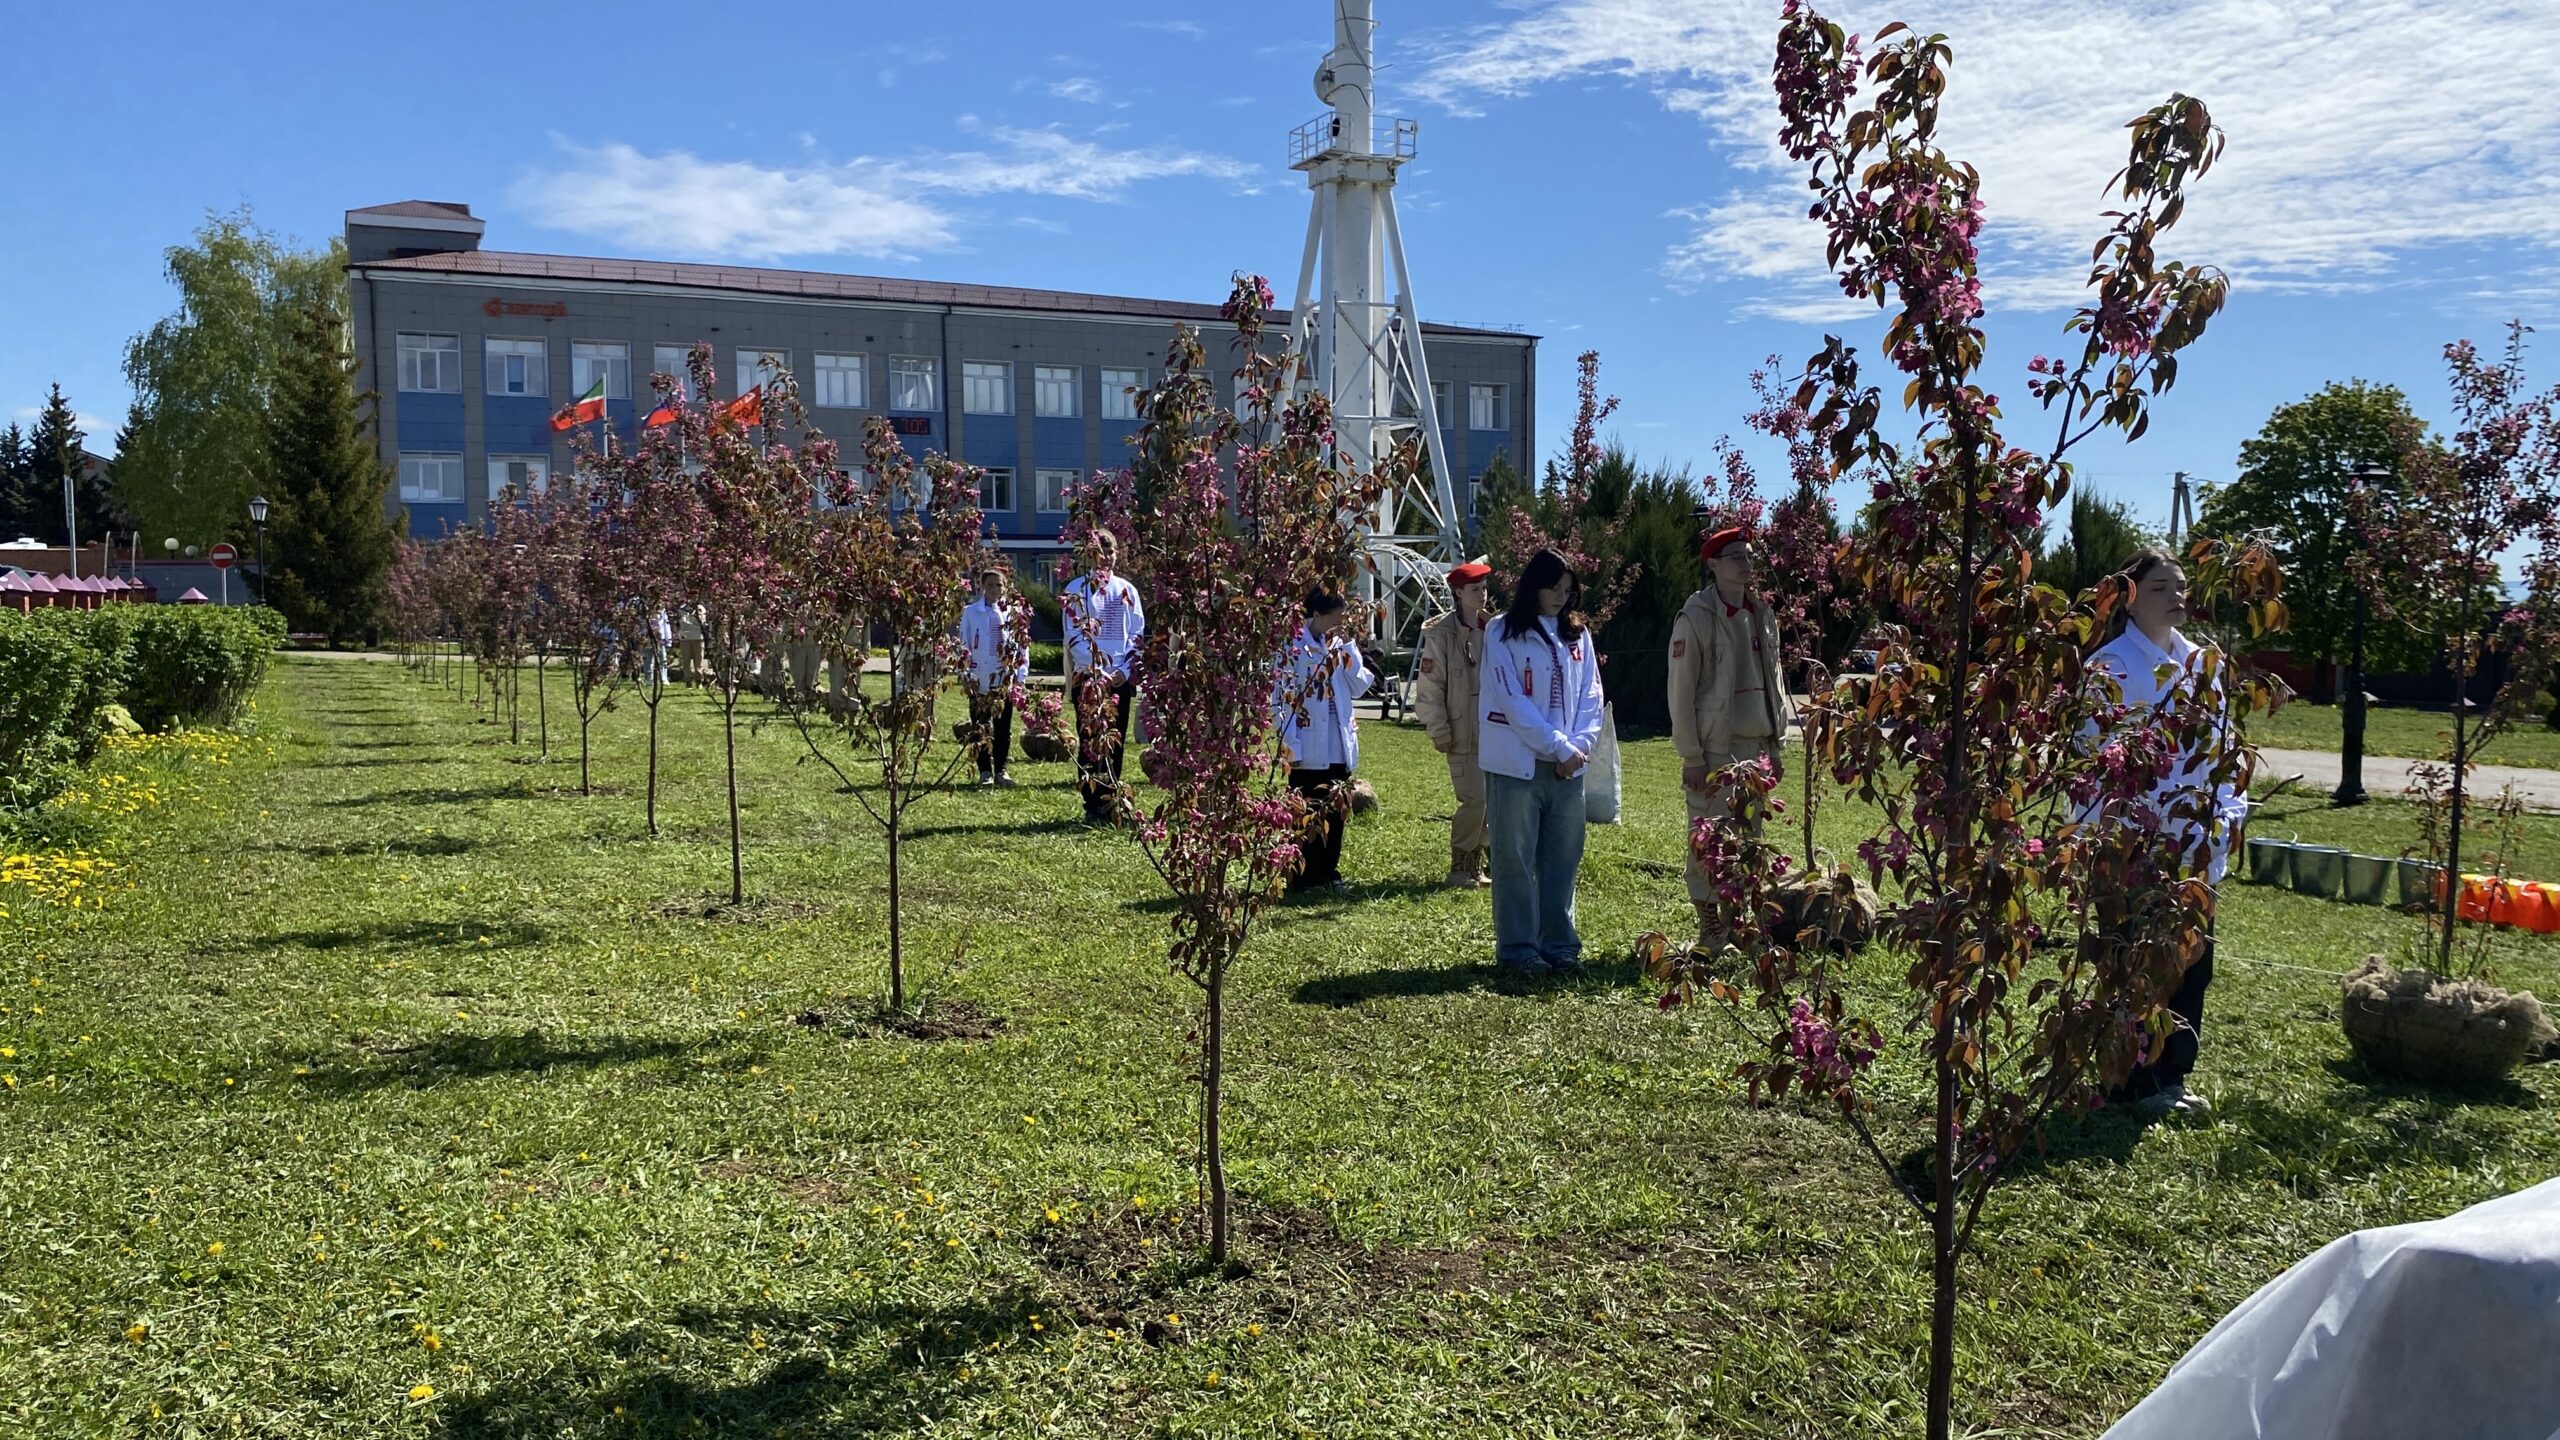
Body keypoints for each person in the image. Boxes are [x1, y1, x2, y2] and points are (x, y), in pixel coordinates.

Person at [2085, 547, 2241, 1119]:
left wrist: (2225, 819)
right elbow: (2091, 761)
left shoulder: (2204, 663)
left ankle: (2171, 1076)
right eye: (2160, 588)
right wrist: (2111, 838)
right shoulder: (2110, 666)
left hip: (2196, 843)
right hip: (2134, 844)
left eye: (2181, 587)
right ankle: (2131, 1079)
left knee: (2192, 963)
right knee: (2134, 960)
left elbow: (2224, 751)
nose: (2176, 596)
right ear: (2128, 597)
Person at [1668, 525, 1797, 953]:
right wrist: (1692, 755)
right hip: (1716, 750)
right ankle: (1710, 927)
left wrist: (1776, 746)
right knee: (1709, 839)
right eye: (1736, 556)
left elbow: (1774, 681)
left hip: (1757, 748)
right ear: (1713, 565)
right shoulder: (1696, 617)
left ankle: (1738, 924)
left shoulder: (1761, 612)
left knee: (1749, 840)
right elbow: (1680, 691)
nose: (1747, 563)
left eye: (1750, 555)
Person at [1478, 549, 1606, 971]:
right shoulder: (1501, 631)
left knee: (1562, 859)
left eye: (1567, 590)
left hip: (1569, 767)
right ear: (1533, 585)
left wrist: (1579, 746)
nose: (1560, 597)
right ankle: (1518, 948)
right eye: (1553, 587)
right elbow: (1512, 701)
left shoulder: (1577, 635)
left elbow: (1592, 694)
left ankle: (1560, 944)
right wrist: (1559, 747)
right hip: (1518, 765)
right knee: (1514, 858)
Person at [1275, 586, 1374, 895]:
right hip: (1306, 744)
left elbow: (1359, 686)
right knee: (1306, 811)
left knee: (1335, 810)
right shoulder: (1294, 646)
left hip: (1337, 743)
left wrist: (1350, 648)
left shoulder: (1340, 646)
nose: (1341, 622)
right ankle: (1303, 877)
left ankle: (1329, 872)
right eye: (1336, 616)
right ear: (1316, 614)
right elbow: (1280, 698)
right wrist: (1290, 745)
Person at [1416, 558, 1494, 888]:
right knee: (1474, 799)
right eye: (1475, 589)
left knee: (1490, 802)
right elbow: (1430, 688)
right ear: (1459, 593)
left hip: (1495, 731)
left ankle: (1476, 864)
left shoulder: (1494, 628)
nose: (1483, 594)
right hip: (1462, 731)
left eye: (1484, 588)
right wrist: (1438, 729)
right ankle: (1461, 865)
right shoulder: (1442, 634)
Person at [1062, 529, 1145, 822]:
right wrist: (1096, 670)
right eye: (1100, 552)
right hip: (1088, 677)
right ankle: (1091, 802)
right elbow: (1073, 636)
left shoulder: (1127, 590)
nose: (1106, 558)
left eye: (1110, 552)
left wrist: (1124, 670)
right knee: (1090, 739)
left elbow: (1136, 634)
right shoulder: (1076, 590)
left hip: (1119, 678)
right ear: (1089, 555)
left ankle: (1110, 801)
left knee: (1114, 739)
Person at [960, 561, 1029, 787]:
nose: (994, 589)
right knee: (980, 726)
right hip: (979, 677)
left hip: (1004, 677)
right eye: (990, 585)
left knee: (1002, 728)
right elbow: (963, 645)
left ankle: (1001, 770)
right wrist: (966, 675)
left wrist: (1020, 676)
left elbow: (1022, 647)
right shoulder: (971, 613)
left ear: (1005, 587)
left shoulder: (1013, 613)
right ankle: (984, 772)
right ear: (982, 587)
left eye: (999, 585)